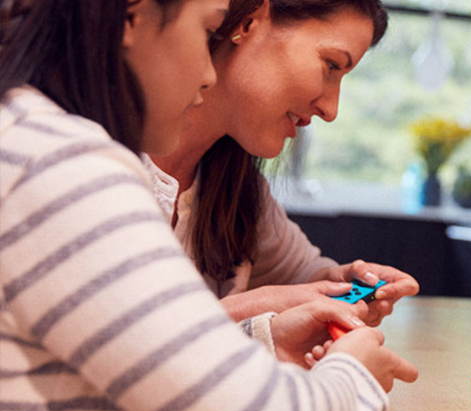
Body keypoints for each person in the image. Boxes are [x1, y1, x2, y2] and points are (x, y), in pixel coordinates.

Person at [0, 0, 417, 411]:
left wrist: (267, 336)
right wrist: (355, 371)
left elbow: (139, 374)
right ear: (131, 17)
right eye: (208, 32)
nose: (209, 73)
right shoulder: (64, 169)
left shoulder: (34, 144)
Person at [147, 0, 420, 326]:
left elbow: (302, 273)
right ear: (249, 23)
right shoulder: (98, 160)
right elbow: (128, 336)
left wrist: (338, 282)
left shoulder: (236, 191)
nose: (331, 111)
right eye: (332, 65)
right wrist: (260, 304)